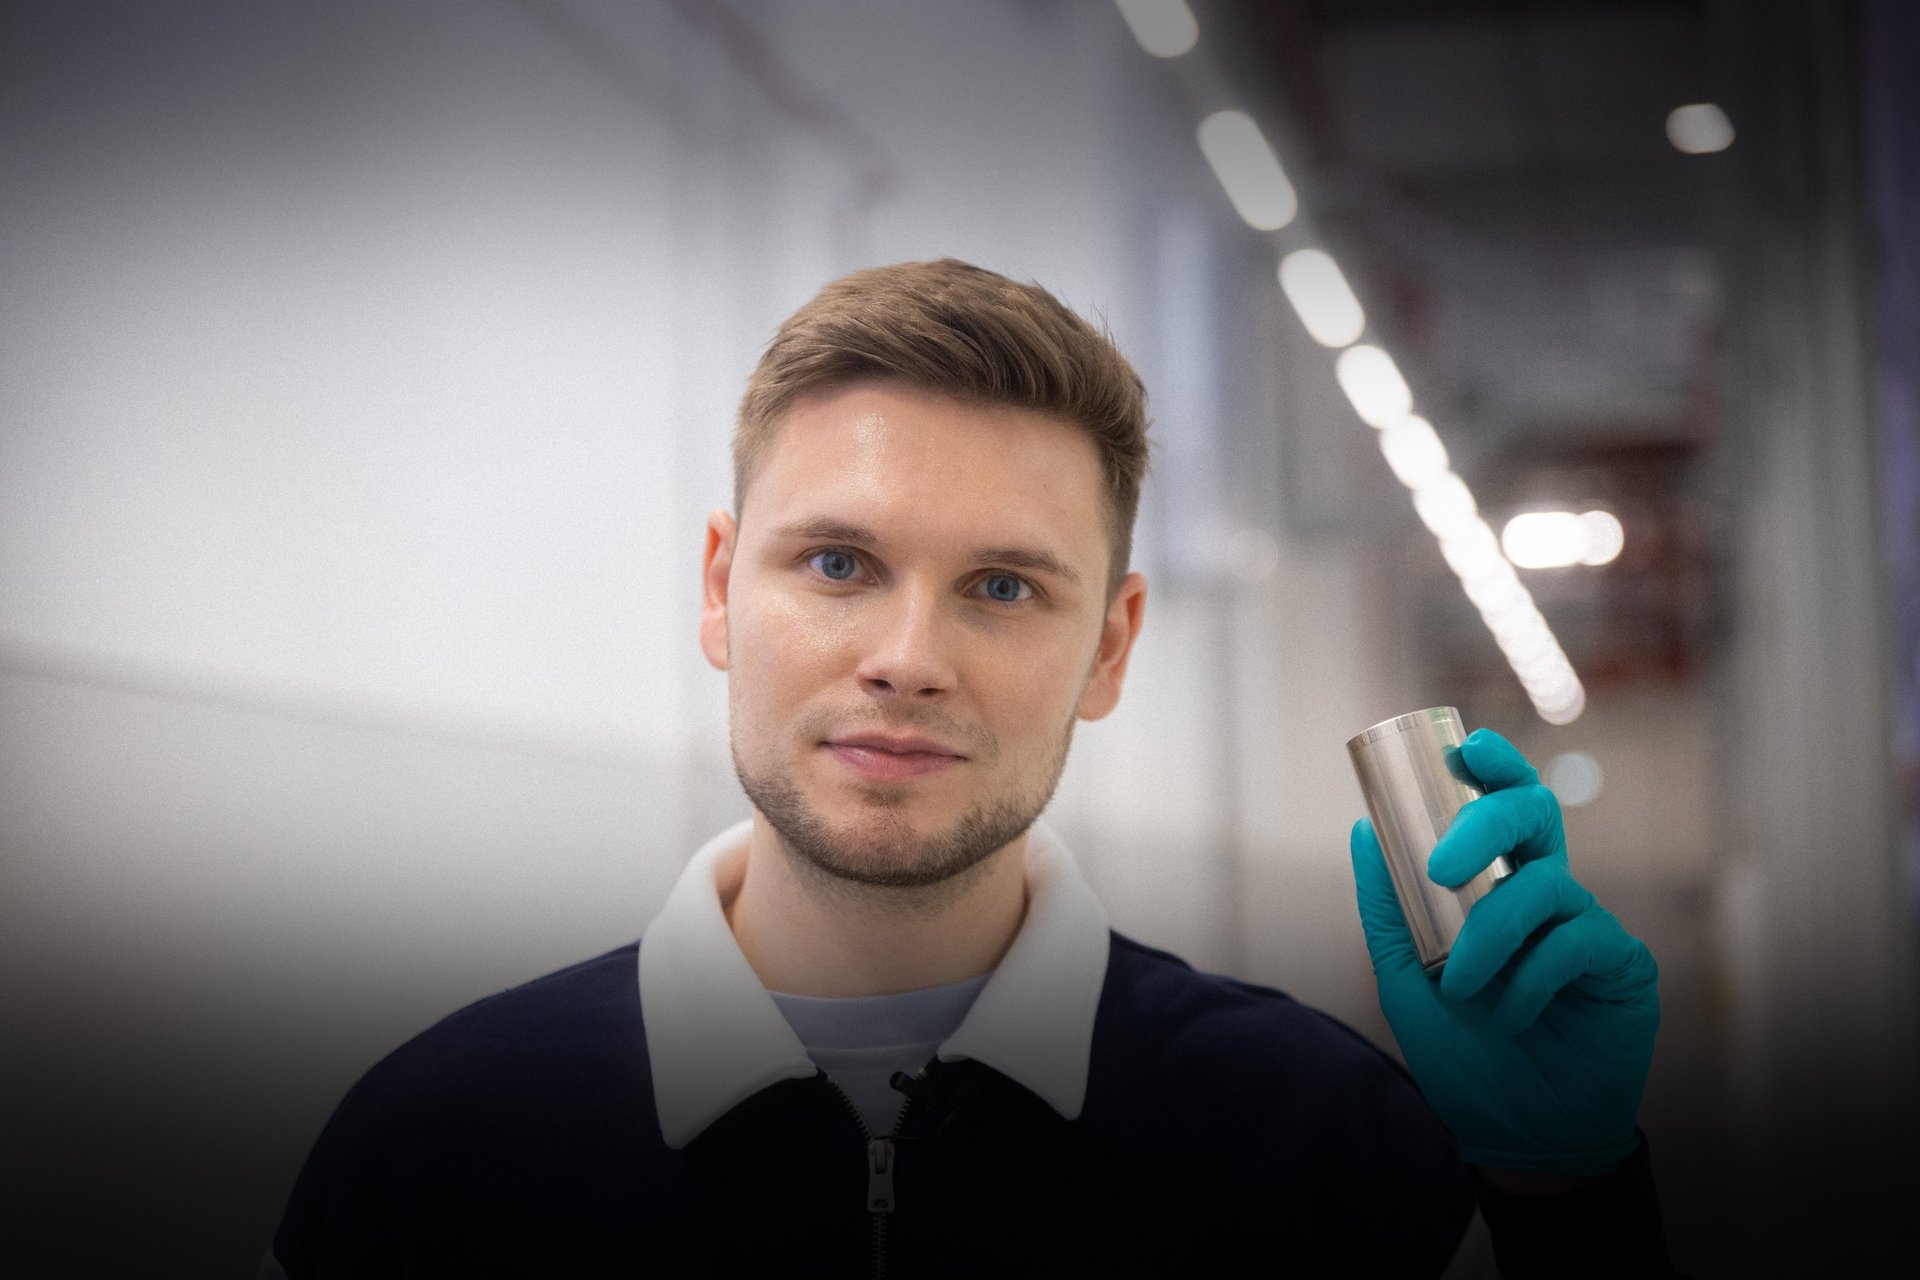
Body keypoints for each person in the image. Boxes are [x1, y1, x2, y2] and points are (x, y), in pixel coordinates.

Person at [267, 259, 1674, 1277]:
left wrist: (1571, 1205)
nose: (906, 655)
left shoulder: (1320, 1147)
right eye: (837, 563)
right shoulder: (428, 1158)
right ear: (717, 588)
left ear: (1111, 649)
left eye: (1002, 588)